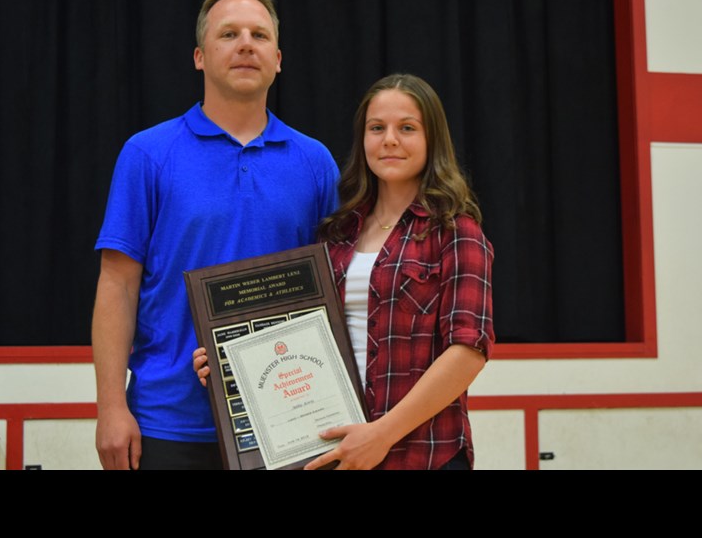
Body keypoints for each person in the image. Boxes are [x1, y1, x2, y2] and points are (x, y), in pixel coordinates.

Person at [93, 0, 339, 470]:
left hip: (289, 419)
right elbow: (117, 284)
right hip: (169, 421)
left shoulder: (316, 162)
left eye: (259, 35)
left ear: (279, 58)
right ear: (200, 57)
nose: (246, 44)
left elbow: (332, 286)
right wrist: (110, 408)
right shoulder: (147, 154)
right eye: (229, 34)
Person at [194, 73, 494, 470]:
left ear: (432, 140)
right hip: (338, 452)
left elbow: (468, 351)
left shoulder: (456, 231)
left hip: (425, 454)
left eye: (407, 128)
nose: (389, 139)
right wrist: (231, 359)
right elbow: (297, 340)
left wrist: (382, 434)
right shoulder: (337, 234)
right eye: (376, 128)